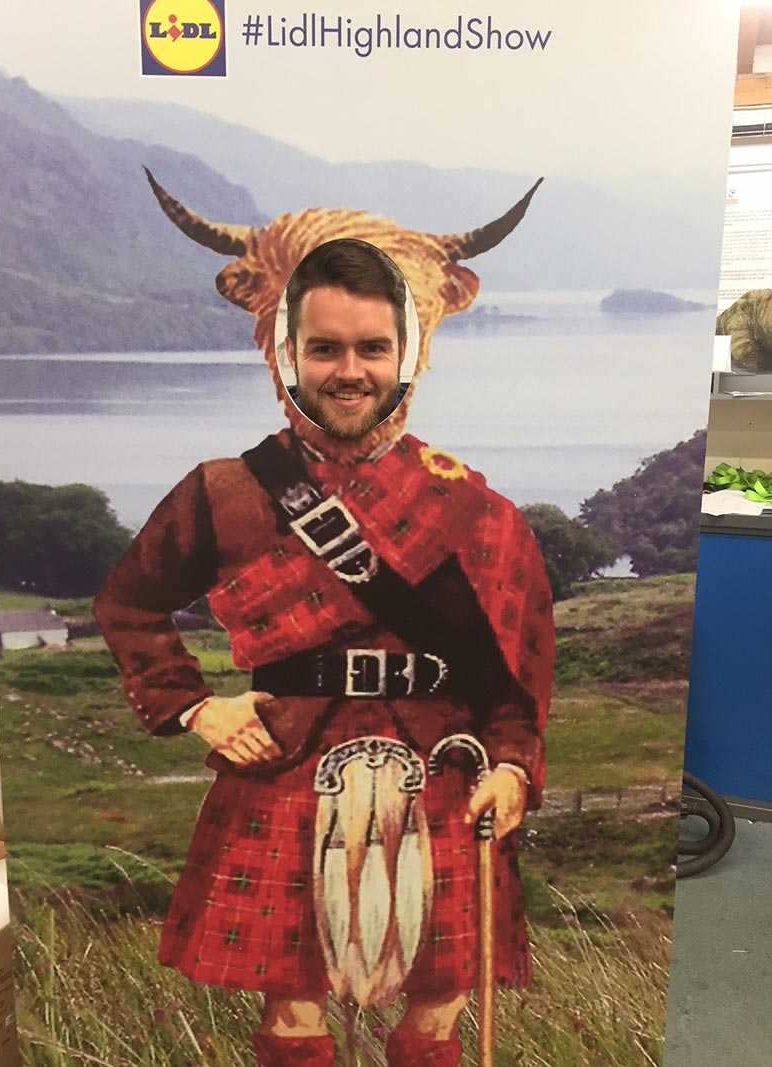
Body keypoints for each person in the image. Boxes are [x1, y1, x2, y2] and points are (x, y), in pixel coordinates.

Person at [94, 238, 553, 1067]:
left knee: (435, 1025)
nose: (350, 370)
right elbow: (126, 601)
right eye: (325, 347)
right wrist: (199, 705)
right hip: (286, 766)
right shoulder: (225, 492)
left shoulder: (478, 510)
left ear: (406, 354)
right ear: (287, 353)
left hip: (447, 775)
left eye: (372, 347)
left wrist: (513, 767)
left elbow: (516, 678)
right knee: (294, 1024)